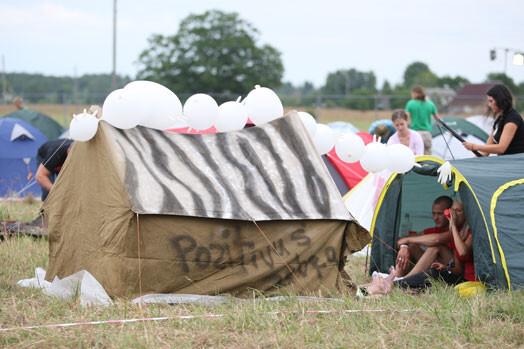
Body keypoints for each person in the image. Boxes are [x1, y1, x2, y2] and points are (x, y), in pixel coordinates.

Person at [393, 199, 476, 289]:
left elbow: (439, 240)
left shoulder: (467, 231)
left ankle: (402, 281)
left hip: (472, 281)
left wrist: (453, 226)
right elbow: (458, 269)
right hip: (457, 274)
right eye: (453, 210)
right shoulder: (455, 231)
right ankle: (397, 278)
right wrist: (404, 245)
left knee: (436, 250)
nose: (454, 214)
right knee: (414, 248)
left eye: (459, 211)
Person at [395, 196, 453, 278]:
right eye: (433, 213)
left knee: (436, 247)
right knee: (411, 246)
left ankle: (404, 280)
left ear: (449, 213)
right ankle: (397, 277)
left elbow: (437, 239)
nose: (435, 218)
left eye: (439, 213)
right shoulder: (434, 230)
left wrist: (407, 240)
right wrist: (404, 246)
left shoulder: (455, 228)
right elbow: (400, 240)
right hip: (436, 267)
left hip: (453, 270)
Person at [462, 84, 524, 155]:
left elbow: (501, 148)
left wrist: (474, 146)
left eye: (491, 101)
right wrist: (470, 162)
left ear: (500, 100)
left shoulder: (512, 120)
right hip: (504, 162)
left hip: (515, 163)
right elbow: (485, 152)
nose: (489, 105)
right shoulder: (499, 120)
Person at [405, 86, 440, 155]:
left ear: (415, 93)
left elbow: (406, 118)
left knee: (416, 156)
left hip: (415, 133)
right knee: (427, 156)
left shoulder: (410, 103)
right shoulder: (430, 104)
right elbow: (438, 119)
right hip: (427, 134)